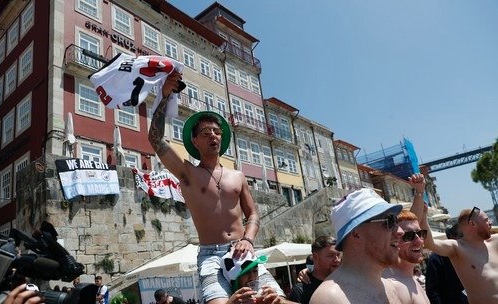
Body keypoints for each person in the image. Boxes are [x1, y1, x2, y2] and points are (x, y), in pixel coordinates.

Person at [148, 72, 284, 304]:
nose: (213, 135)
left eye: (217, 131)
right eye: (205, 132)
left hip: (243, 251)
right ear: (195, 141)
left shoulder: (238, 176)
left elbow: (252, 214)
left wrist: (248, 240)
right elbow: (155, 139)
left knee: (277, 300)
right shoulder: (187, 173)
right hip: (210, 255)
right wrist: (164, 96)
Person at [411, 176, 498, 304]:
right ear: (473, 224)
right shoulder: (458, 248)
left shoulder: (495, 242)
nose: (490, 222)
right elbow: (430, 243)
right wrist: (423, 216)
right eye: (486, 220)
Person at [309, 188, 404, 304]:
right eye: (390, 221)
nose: (400, 231)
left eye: (396, 220)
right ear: (356, 234)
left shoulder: (390, 287)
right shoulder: (330, 298)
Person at [382, 210, 430, 304]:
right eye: (408, 236)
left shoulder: (411, 280)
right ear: (393, 241)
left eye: (420, 233)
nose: (419, 241)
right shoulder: (392, 285)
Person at [288, 236, 340, 304]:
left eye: (338, 255)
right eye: (330, 255)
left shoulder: (345, 282)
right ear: (315, 257)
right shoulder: (301, 290)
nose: (337, 260)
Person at [425, 223, 468, 304]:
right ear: (452, 237)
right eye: (462, 235)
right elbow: (432, 291)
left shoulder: (469, 254)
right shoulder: (436, 257)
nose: (467, 238)